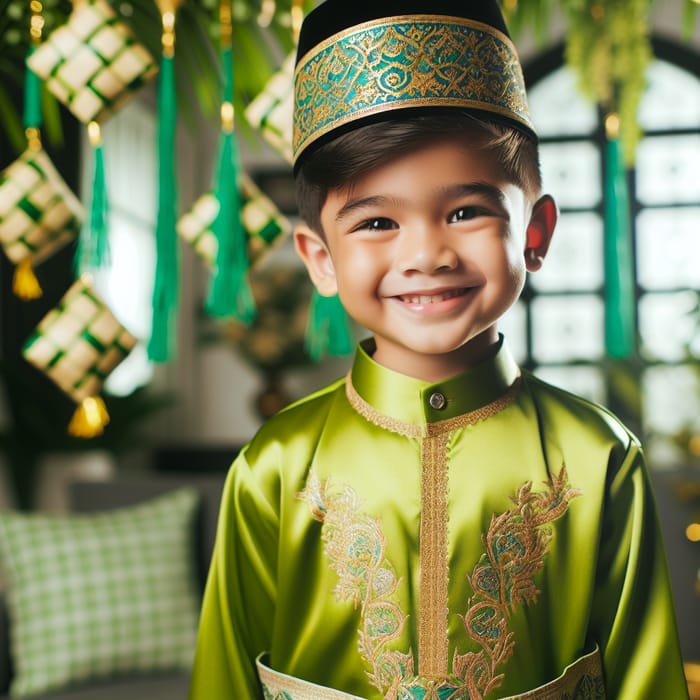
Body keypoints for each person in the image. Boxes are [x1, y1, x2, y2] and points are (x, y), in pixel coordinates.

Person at [188, 1, 690, 698]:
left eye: (466, 212)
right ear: (320, 257)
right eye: (377, 221)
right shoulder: (274, 466)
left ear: (535, 231)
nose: (425, 254)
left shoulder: (597, 455)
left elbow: (646, 678)